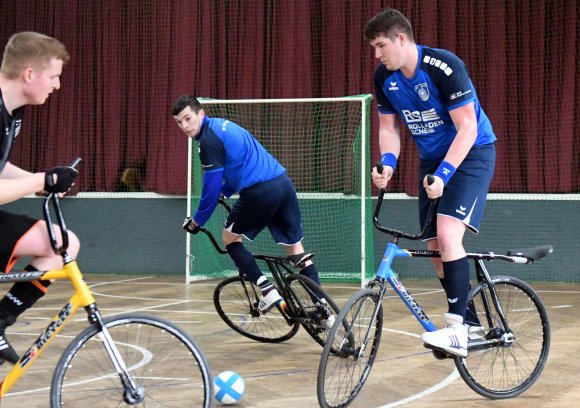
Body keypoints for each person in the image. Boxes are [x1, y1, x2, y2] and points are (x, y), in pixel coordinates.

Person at [365, 9, 496, 357]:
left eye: (381, 46)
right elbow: (389, 128)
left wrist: (444, 175)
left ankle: (455, 330)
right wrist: (388, 164)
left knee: (450, 233)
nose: (377, 54)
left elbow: (467, 128)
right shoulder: (384, 78)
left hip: (471, 153)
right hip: (432, 160)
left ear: (401, 39)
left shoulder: (443, 67)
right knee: (435, 247)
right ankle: (469, 323)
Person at [172, 95, 328, 318]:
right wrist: (226, 192)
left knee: (230, 239)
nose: (185, 126)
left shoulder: (207, 140)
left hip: (259, 192)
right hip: (283, 184)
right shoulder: (225, 126)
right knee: (296, 250)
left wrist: (197, 222)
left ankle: (266, 290)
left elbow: (210, 189)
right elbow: (239, 165)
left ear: (201, 113)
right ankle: (324, 309)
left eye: (188, 118)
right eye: (179, 122)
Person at [0, 31, 79, 375]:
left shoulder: (12, 113)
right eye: (54, 76)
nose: (57, 86)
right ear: (30, 74)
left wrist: (38, 180)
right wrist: (41, 181)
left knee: (63, 243)